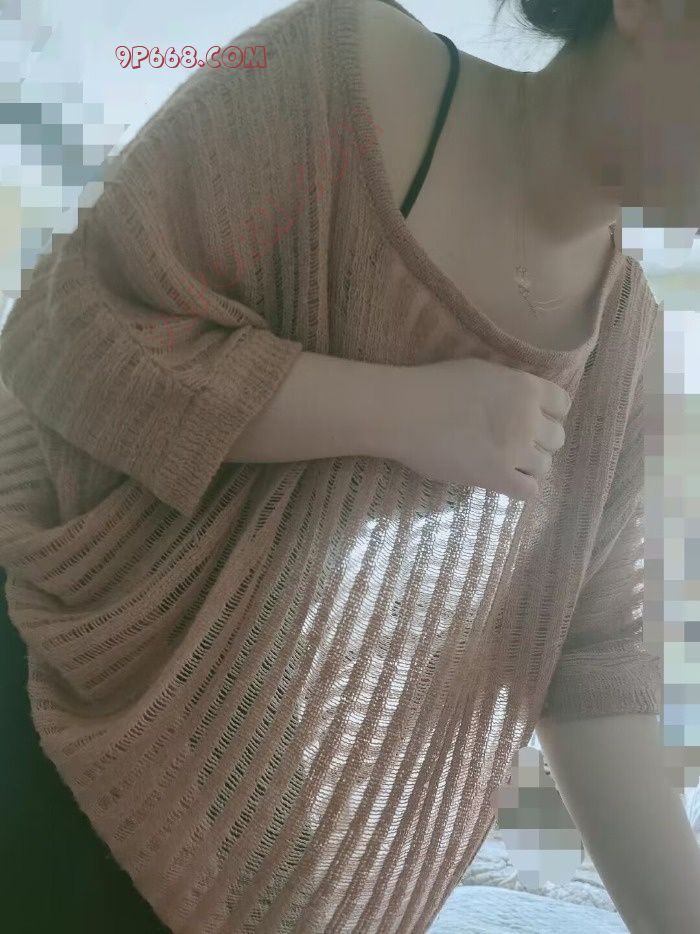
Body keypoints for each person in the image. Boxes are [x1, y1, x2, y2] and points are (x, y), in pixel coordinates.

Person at [0, 0, 698, 931]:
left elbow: (589, 661)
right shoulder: (339, 72)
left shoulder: (621, 343)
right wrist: (401, 411)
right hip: (44, 638)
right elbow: (69, 334)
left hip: (219, 745)